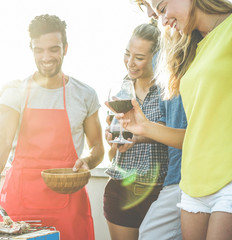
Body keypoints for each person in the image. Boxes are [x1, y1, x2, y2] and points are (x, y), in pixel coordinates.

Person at [110, 0, 232, 239]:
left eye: (163, 8)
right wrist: (143, 126)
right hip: (193, 183)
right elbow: (195, 135)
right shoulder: (193, 48)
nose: (162, 20)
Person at [0, 14, 104, 240]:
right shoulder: (15, 91)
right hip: (21, 200)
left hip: (69, 202)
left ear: (65, 48)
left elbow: (97, 147)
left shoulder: (84, 94)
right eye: (39, 50)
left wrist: (88, 161)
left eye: (54, 49)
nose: (46, 57)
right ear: (31, 49)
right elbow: (2, 137)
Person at [103, 20, 169, 240]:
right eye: (127, 54)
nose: (130, 63)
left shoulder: (170, 89)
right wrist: (113, 140)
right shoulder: (122, 87)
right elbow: (115, 148)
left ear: (157, 57)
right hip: (121, 188)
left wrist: (140, 135)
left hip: (159, 191)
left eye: (139, 58)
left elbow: (178, 133)